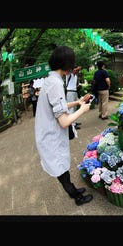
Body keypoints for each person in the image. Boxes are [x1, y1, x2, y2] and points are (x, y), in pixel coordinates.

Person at [35, 46, 93, 206]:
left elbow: (58, 106)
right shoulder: (56, 84)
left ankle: (74, 190)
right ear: (68, 64)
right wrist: (82, 109)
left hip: (47, 134)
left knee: (61, 168)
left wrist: (77, 102)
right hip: (51, 136)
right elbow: (64, 121)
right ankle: (76, 196)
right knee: (60, 169)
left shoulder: (51, 80)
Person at [65, 65, 82, 130]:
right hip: (70, 92)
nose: (77, 70)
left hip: (74, 92)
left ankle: (74, 122)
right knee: (71, 109)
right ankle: (72, 125)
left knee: (74, 108)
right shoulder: (69, 74)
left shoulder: (75, 76)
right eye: (76, 69)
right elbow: (74, 70)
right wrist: (78, 68)